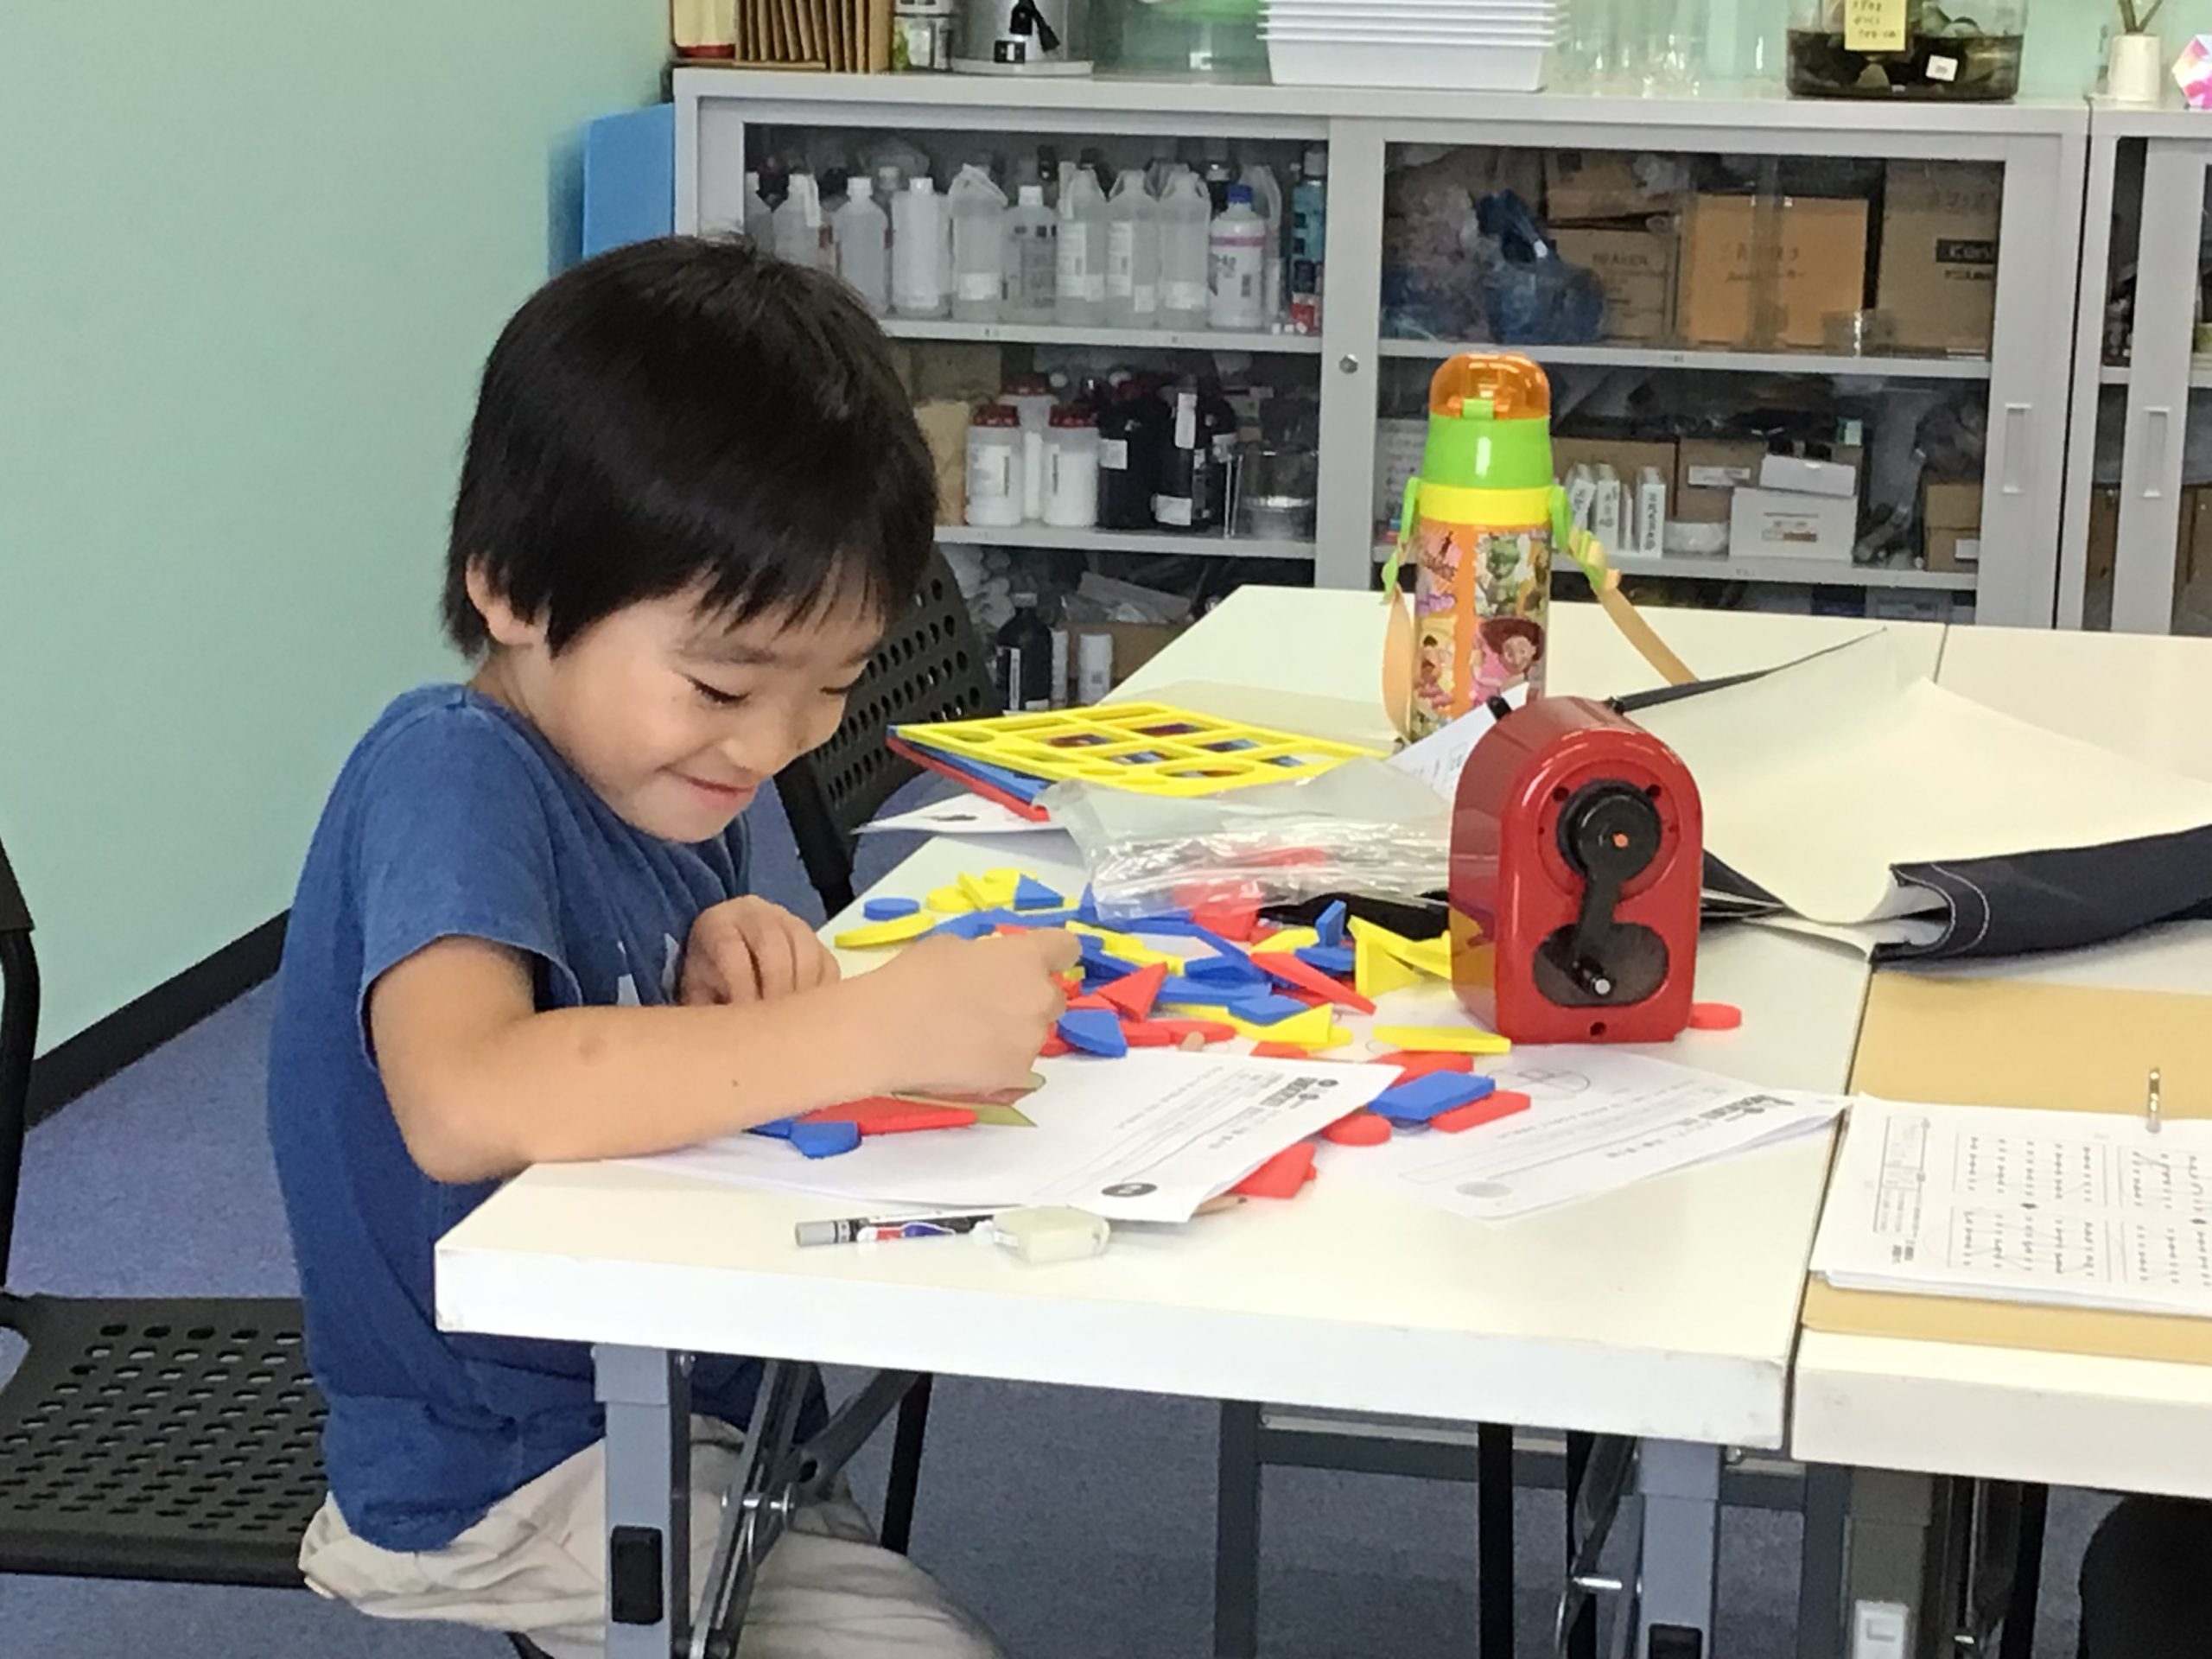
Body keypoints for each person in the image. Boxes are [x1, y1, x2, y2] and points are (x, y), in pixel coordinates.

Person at [265, 237, 1072, 1659]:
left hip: (680, 1403)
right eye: (719, 685)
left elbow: (607, 988)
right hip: (509, 1471)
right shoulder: (449, 771)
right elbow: (466, 1097)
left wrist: (721, 940)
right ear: (515, 591)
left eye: (829, 688)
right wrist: (865, 1027)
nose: (770, 747)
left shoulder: (652, 781)